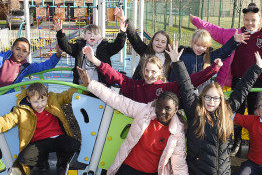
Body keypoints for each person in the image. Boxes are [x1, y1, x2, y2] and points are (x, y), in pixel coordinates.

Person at [77, 66, 194, 175]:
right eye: (159, 107)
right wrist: (90, 84)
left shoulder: (176, 132)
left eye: (167, 109)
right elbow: (117, 100)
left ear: (175, 110)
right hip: (128, 171)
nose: (162, 111)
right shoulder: (144, 111)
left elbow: (179, 163)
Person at [167, 42, 262, 175]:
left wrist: (256, 68)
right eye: (208, 98)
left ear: (221, 100)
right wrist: (177, 62)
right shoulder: (195, 113)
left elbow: (242, 90)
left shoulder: (227, 113)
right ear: (202, 99)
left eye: (216, 99)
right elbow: (186, 88)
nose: (212, 102)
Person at [190, 3, 262, 156]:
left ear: (259, 19)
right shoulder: (234, 34)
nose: (250, 23)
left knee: (256, 112)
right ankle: (236, 142)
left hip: (258, 81)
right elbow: (214, 30)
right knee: (237, 111)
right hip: (238, 80)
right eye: (247, 20)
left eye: (253, 20)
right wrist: (197, 21)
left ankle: (255, 142)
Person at [0, 37, 62, 172]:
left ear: (28, 54)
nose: (20, 53)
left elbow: (45, 66)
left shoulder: (25, 67)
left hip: (4, 99)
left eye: (24, 51)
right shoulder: (3, 58)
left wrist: (57, 55)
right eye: (17, 49)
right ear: (12, 49)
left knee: (4, 127)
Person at [82, 45, 221, 103]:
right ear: (142, 71)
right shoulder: (134, 86)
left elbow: (189, 81)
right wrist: (93, 59)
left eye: (153, 71)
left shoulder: (167, 89)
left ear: (160, 72)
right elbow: (114, 74)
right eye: (146, 71)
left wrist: (213, 69)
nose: (149, 75)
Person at [0, 82, 80, 175]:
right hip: (39, 142)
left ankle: (62, 162)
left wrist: (85, 85)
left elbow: (68, 95)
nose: (40, 105)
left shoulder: (53, 100)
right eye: (36, 102)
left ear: (47, 97)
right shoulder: (21, 110)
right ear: (28, 100)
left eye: (43, 100)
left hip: (57, 137)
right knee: (24, 158)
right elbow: (7, 120)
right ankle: (43, 164)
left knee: (74, 145)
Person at [168, 29, 250, 89]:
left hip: (203, 93)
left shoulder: (209, 56)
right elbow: (175, 74)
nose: (200, 48)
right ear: (192, 43)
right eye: (198, 45)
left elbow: (223, 51)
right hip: (186, 92)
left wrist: (234, 41)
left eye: (204, 46)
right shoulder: (184, 56)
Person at [54, 19, 126, 85]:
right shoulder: (79, 47)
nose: (92, 35)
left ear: (100, 37)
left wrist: (122, 33)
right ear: (85, 36)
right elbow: (66, 47)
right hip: (82, 84)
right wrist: (60, 33)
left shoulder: (105, 47)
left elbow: (118, 46)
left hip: (100, 85)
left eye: (95, 34)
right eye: (89, 33)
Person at [114, 7, 172, 80]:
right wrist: (124, 19)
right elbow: (134, 37)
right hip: (143, 87)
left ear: (167, 45)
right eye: (157, 40)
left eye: (163, 42)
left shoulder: (170, 57)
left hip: (160, 88)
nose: (159, 43)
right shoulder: (146, 52)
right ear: (152, 41)